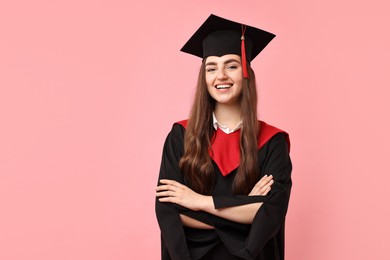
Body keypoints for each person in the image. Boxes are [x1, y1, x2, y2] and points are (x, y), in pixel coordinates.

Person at [155, 14, 292, 260]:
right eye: (211, 68)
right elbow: (169, 212)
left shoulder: (273, 142)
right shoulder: (181, 136)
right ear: (204, 77)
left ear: (246, 72)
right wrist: (243, 209)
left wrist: (199, 201)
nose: (221, 76)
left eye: (231, 65)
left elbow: (272, 213)